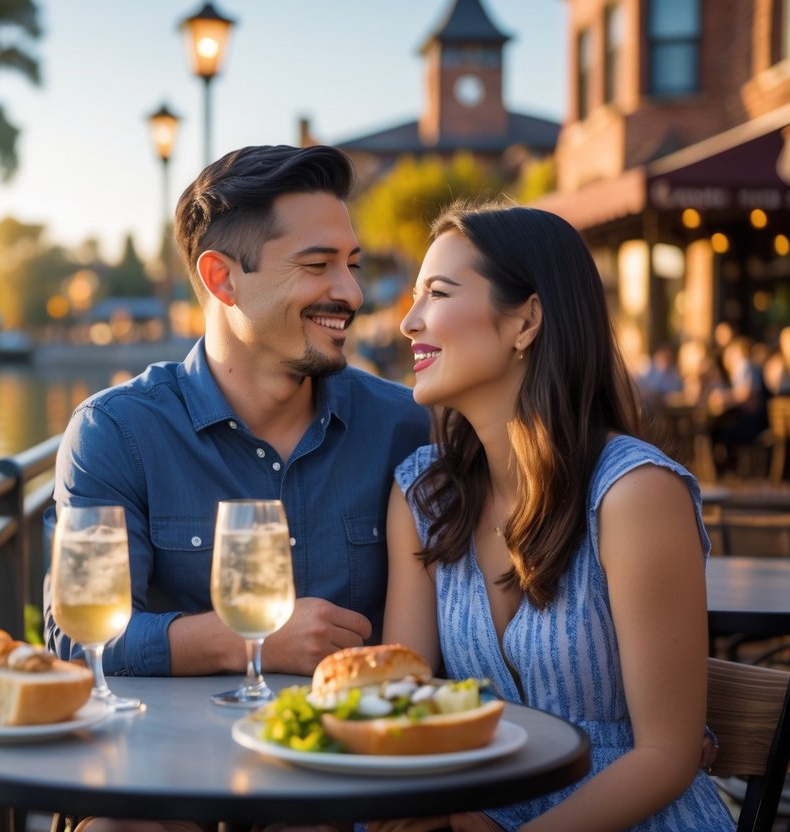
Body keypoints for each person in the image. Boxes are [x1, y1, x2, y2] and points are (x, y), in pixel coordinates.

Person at [380, 202, 733, 831]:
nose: (409, 322)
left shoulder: (632, 493)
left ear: (526, 320)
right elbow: (399, 712)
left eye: (436, 293)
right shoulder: (423, 497)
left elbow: (667, 757)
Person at [45, 144, 430, 679]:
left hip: (363, 753)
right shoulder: (116, 433)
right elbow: (76, 639)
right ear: (222, 278)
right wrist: (250, 640)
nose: (352, 292)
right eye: (319, 265)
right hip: (187, 756)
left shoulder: (407, 427)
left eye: (353, 265)